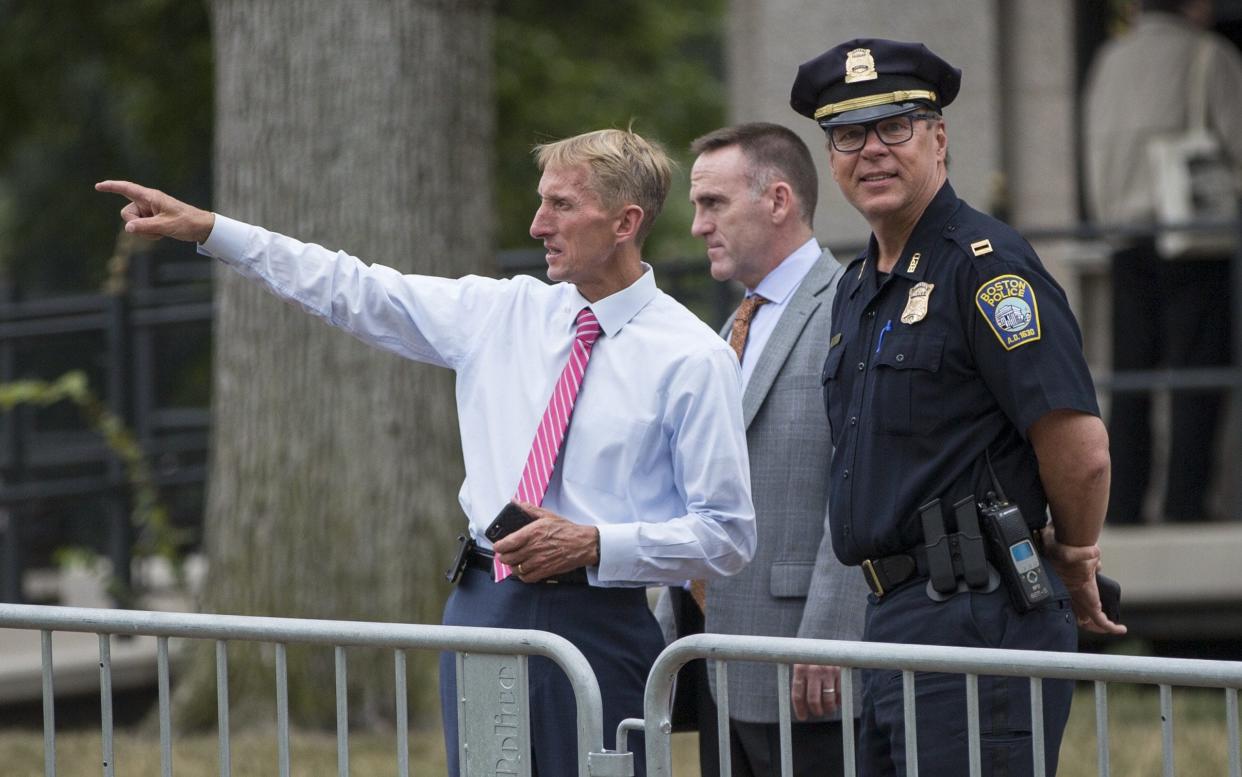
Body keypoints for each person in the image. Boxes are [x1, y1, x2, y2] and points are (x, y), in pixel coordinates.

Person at [96, 127, 757, 777]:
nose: (536, 224)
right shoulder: (501, 312)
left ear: (625, 221)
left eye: (561, 204)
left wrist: (594, 542)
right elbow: (349, 287)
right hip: (482, 601)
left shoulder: (692, 356)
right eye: (541, 200)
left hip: (601, 622)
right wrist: (214, 230)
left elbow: (727, 535)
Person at [788, 39, 1127, 776]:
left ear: (939, 138)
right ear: (831, 155)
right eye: (849, 133)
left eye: (895, 127)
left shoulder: (986, 266)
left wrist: (1072, 553)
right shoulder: (858, 289)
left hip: (979, 616)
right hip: (890, 619)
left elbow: (1080, 447)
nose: (871, 151)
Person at [672, 122, 868, 777]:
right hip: (722, 658)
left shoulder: (850, 307)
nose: (699, 225)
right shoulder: (733, 323)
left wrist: (834, 635)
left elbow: (860, 478)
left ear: (778, 201)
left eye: (713, 203)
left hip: (806, 666)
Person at [1083, 0, 1242, 524]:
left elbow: (1096, 154)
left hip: (1127, 240)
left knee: (1131, 383)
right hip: (1195, 242)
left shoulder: (1110, 60)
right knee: (1195, 382)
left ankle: (1124, 507)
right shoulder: (1209, 56)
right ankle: (1186, 507)